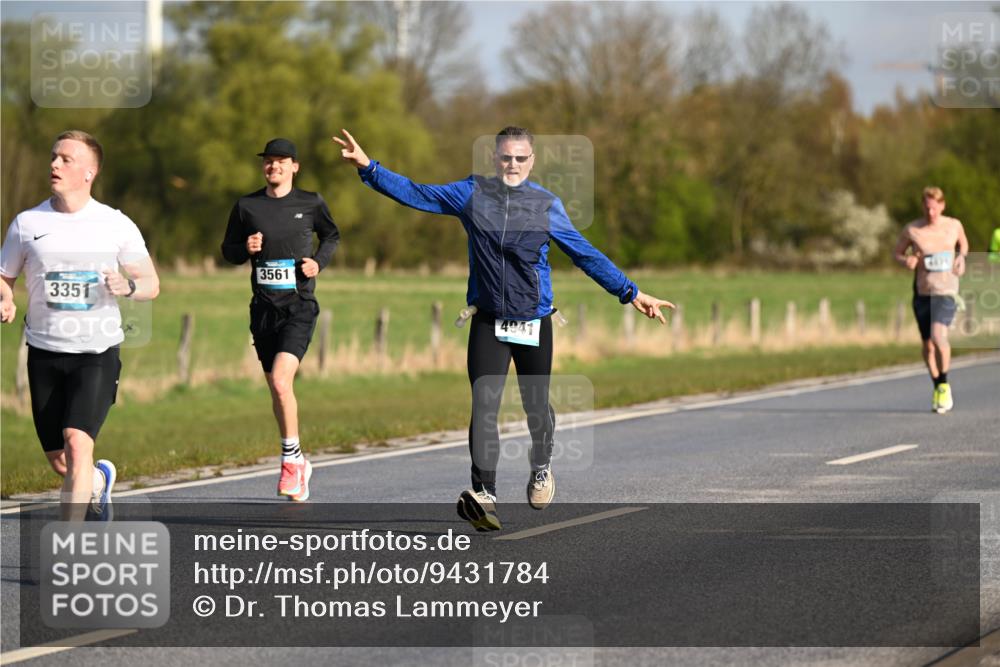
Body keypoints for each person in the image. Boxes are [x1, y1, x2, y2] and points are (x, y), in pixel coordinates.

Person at [333, 126, 674, 531]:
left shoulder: (547, 205)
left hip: (534, 321)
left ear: (531, 161)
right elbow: (417, 193)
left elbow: (585, 254)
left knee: (535, 407)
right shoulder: (471, 194)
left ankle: (542, 466)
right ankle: (484, 494)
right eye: (506, 157)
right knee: (484, 404)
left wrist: (631, 293)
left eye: (521, 158)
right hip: (488, 320)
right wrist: (369, 168)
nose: (512, 164)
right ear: (494, 159)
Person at [0, 130, 160, 520]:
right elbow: (5, 275)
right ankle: (100, 481)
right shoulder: (27, 223)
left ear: (89, 172)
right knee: (61, 461)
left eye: (66, 159)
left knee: (76, 445)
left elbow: (152, 284)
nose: (54, 164)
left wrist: (129, 285)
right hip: (43, 352)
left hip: (96, 352)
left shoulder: (114, 224)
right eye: (54, 157)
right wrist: (6, 297)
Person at [221, 138, 340, 502]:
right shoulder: (247, 206)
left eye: (281, 162)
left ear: (294, 167)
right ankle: (300, 460)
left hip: (299, 306)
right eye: (269, 162)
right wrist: (246, 249)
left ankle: (290, 461)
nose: (274, 167)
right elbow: (228, 250)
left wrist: (318, 261)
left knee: (281, 379)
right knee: (277, 387)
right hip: (263, 310)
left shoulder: (311, 202)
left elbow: (331, 235)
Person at [893, 186, 969, 414]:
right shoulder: (913, 229)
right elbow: (896, 253)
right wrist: (905, 261)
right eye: (927, 208)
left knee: (938, 336)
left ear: (942, 206)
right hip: (922, 292)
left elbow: (963, 244)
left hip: (946, 291)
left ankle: (944, 384)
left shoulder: (953, 225)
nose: (931, 213)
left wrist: (962, 258)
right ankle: (937, 384)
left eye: (934, 208)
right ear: (922, 207)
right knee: (927, 344)